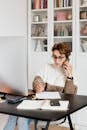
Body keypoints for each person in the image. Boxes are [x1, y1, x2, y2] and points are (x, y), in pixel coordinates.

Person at [4, 42, 77, 130]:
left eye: (60, 57)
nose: (57, 60)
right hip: (39, 104)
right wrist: (38, 84)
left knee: (22, 119)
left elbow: (70, 97)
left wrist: (69, 77)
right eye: (54, 57)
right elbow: (37, 79)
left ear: (67, 58)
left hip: (54, 109)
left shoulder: (71, 72)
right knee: (13, 114)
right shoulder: (47, 67)